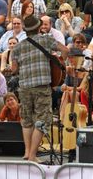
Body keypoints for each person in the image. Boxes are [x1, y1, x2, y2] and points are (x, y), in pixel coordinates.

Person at [11, 16, 69, 162]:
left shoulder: (17, 47)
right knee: (42, 120)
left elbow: (13, 70)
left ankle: (27, 152)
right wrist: (59, 63)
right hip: (42, 86)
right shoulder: (47, 40)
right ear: (39, 28)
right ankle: (32, 156)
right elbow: (65, 50)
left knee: (27, 120)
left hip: (24, 87)